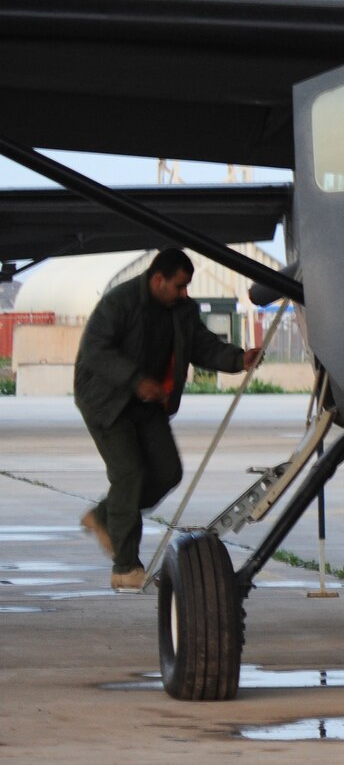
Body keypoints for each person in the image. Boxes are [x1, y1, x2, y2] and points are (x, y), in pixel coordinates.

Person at [75, 250, 259, 591]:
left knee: (167, 472)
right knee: (129, 474)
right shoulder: (119, 302)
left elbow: (202, 347)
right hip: (106, 401)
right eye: (180, 286)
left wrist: (238, 358)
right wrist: (135, 380)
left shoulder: (183, 310)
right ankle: (125, 567)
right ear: (157, 280)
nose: (184, 293)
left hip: (149, 402)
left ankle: (104, 516)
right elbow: (94, 350)